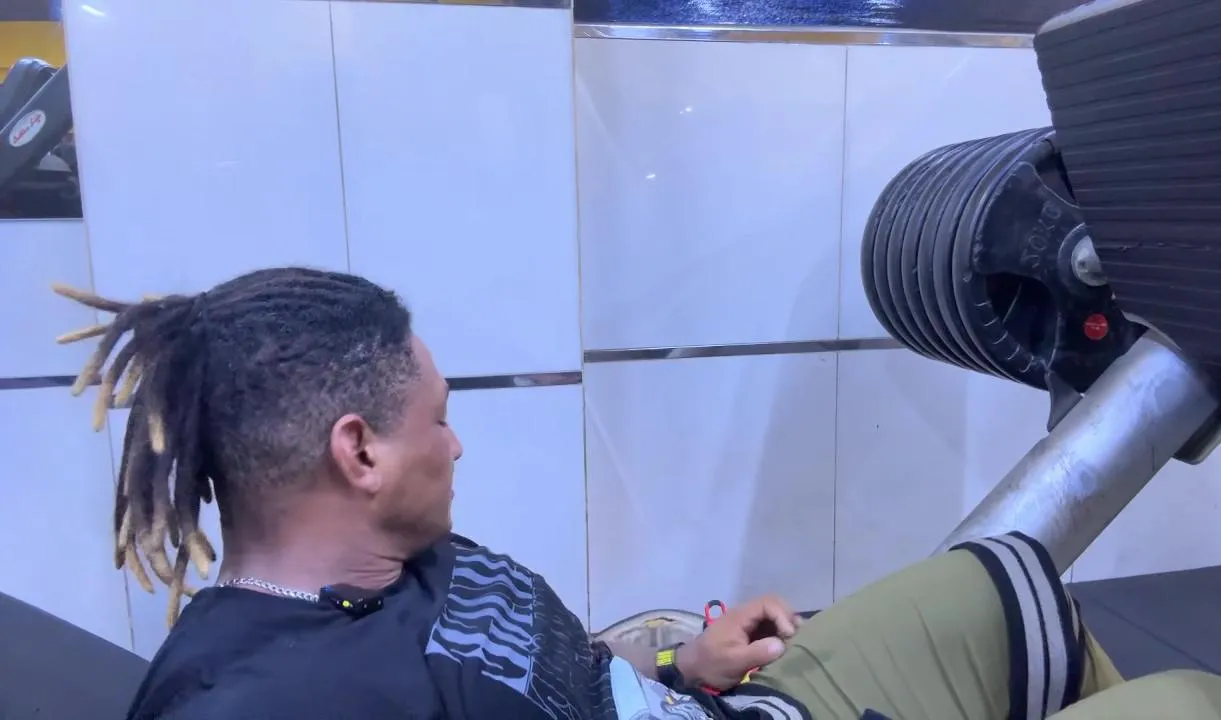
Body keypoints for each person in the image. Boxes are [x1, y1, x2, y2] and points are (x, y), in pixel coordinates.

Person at [56, 267, 1126, 720]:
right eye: (436, 421)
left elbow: (538, 681)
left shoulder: (400, 559)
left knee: (1012, 584)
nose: (457, 445)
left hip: (711, 702)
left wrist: (678, 666)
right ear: (360, 452)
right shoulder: (271, 703)